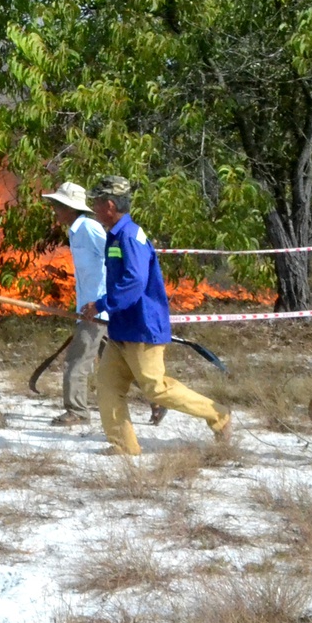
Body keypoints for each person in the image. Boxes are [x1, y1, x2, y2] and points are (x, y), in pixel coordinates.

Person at [81, 175, 232, 455]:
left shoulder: (130, 236)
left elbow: (134, 282)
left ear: (110, 205)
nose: (94, 208)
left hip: (142, 328)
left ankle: (218, 415)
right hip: (122, 329)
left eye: (97, 203)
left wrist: (102, 304)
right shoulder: (116, 234)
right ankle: (124, 446)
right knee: (107, 387)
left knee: (156, 390)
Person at [41, 181, 106, 426]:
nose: (55, 209)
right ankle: (156, 401)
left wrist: (103, 301)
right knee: (121, 362)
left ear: (70, 207)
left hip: (98, 310)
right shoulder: (76, 230)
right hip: (92, 309)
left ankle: (77, 412)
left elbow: (116, 255)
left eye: (58, 204)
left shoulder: (89, 227)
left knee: (77, 360)